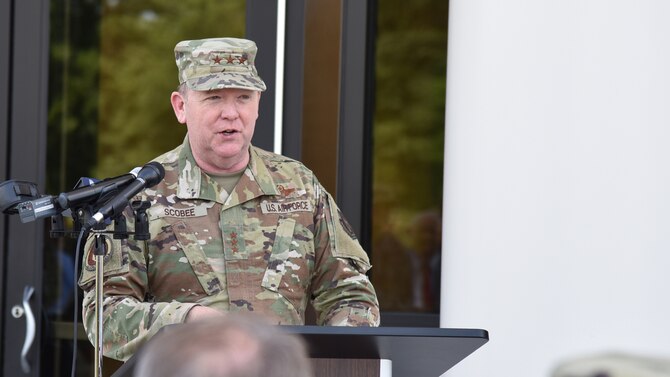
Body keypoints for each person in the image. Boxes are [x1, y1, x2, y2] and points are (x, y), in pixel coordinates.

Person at [78, 37, 380, 362]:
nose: (231, 113)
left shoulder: (300, 186)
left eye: (243, 98)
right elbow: (105, 316)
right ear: (181, 106)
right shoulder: (139, 195)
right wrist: (188, 321)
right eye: (214, 98)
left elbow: (350, 294)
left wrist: (331, 355)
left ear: (258, 104)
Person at [133, 313, 313, 377]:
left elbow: (339, 294)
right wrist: (186, 316)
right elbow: (109, 307)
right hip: (183, 352)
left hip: (288, 358)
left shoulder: (314, 225)